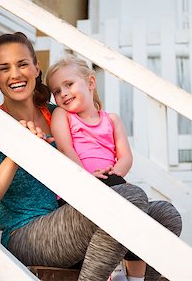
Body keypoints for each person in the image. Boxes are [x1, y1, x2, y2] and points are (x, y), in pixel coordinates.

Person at [0, 32, 182, 281]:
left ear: (35, 68)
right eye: (4, 68)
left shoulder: (61, 114)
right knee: (130, 198)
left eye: (22, 64)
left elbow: (96, 139)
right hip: (28, 234)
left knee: (165, 216)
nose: (16, 74)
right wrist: (16, 153)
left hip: (77, 216)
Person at [46, 54, 182, 281]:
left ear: (90, 83)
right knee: (125, 210)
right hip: (78, 187)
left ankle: (135, 278)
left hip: (112, 182)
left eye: (68, 85)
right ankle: (116, 272)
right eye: (57, 91)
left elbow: (126, 157)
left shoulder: (111, 120)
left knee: (141, 215)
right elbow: (66, 150)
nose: (63, 94)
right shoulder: (63, 116)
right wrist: (87, 177)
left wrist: (114, 173)